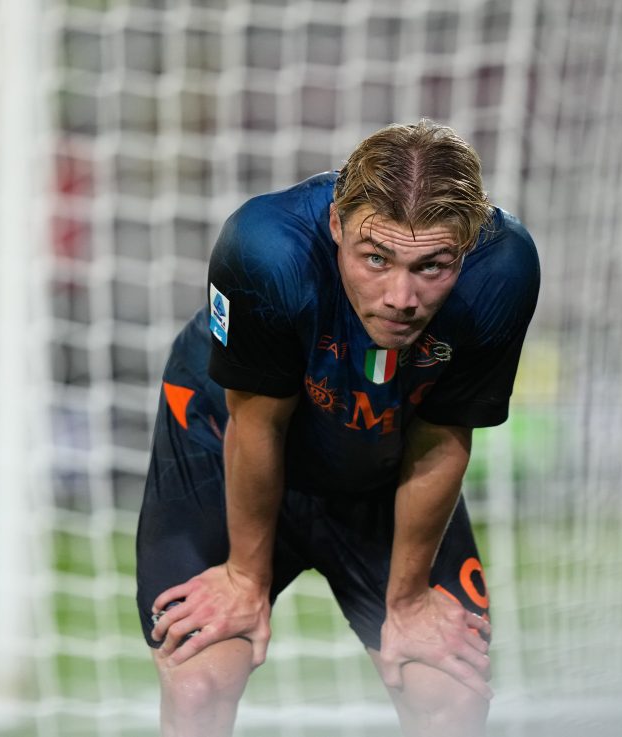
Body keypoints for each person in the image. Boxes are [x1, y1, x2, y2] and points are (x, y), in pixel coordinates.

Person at [135, 119, 540, 737]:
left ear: (468, 243)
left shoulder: (502, 271)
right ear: (335, 227)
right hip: (227, 450)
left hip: (384, 465)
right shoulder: (266, 248)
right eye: (375, 258)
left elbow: (442, 436)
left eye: (433, 265)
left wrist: (405, 603)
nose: (402, 297)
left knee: (450, 700)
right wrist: (245, 577)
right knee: (198, 687)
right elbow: (257, 423)